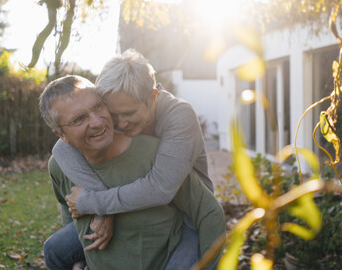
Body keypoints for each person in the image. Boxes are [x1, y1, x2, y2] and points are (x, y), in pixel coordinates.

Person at [50, 49, 222, 268]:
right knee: (56, 250)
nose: (120, 124)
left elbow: (161, 188)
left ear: (153, 98)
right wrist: (99, 214)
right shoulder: (110, 113)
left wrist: (94, 203)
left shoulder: (179, 116)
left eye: (129, 114)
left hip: (186, 216)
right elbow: (62, 149)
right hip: (132, 206)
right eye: (113, 115)